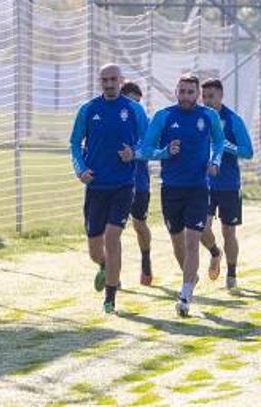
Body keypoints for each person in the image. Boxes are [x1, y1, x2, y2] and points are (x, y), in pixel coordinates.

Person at [138, 74, 226, 318]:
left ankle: (185, 295)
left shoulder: (208, 116)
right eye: (183, 92)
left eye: (191, 92)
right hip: (171, 188)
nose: (187, 97)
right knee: (177, 243)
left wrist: (215, 160)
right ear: (176, 92)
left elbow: (219, 143)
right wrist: (165, 152)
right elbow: (145, 149)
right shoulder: (163, 116)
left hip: (198, 187)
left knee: (191, 240)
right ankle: (192, 277)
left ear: (197, 94)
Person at [69, 64, 146, 313]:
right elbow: (74, 143)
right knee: (95, 249)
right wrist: (80, 169)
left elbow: (149, 142)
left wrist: (133, 153)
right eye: (105, 80)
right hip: (95, 187)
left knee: (113, 237)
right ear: (99, 81)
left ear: (120, 80)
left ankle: (110, 297)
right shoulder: (88, 109)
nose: (109, 83)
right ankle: (105, 266)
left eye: (113, 79)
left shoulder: (134, 110)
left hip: (123, 185)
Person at [199, 78, 254, 292]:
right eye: (204, 97)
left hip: (229, 184)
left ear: (221, 96)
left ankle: (231, 274)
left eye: (211, 96)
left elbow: (248, 151)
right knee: (201, 227)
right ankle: (214, 252)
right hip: (204, 184)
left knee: (228, 231)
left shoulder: (233, 120)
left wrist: (225, 145)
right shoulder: (199, 118)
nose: (207, 101)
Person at [120, 81, 154, 287]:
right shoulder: (112, 120)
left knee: (139, 225)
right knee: (112, 230)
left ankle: (146, 260)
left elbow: (149, 149)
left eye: (138, 103)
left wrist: (133, 153)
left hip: (139, 183)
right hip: (114, 183)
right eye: (131, 102)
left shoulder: (145, 122)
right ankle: (112, 274)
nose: (135, 107)